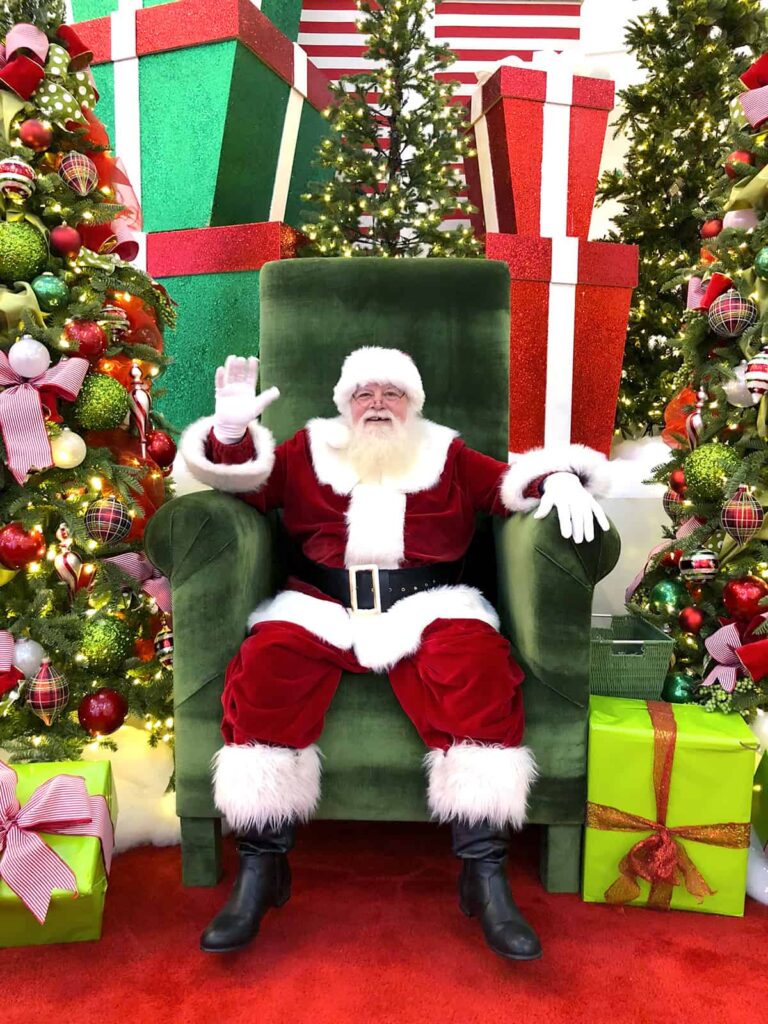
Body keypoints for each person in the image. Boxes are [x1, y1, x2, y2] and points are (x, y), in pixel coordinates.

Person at [180, 347, 610, 961]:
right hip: (321, 607)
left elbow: (508, 487)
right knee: (266, 665)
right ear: (344, 403)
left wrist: (561, 476)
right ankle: (262, 867)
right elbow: (242, 486)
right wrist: (228, 436)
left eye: (391, 393)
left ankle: (483, 874)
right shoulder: (309, 449)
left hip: (430, 605)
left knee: (478, 667)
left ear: (413, 405)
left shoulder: (447, 453)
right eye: (364, 393)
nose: (377, 404)